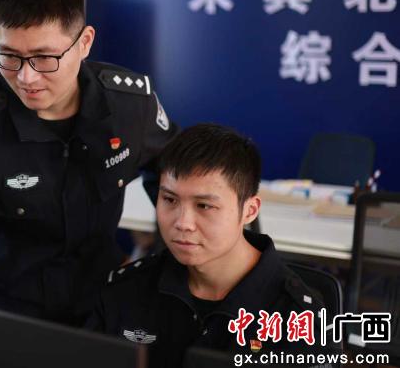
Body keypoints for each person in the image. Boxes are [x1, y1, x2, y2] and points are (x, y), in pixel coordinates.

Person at [0, 0, 178, 326]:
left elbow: (177, 176)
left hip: (104, 301)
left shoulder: (129, 106)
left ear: (84, 42)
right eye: (9, 55)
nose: (26, 77)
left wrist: (161, 271)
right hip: (11, 312)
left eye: (44, 57)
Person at [88, 124, 341, 367]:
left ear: (249, 210)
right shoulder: (126, 290)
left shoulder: (301, 322)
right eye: (170, 199)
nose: (183, 223)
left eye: (204, 206)